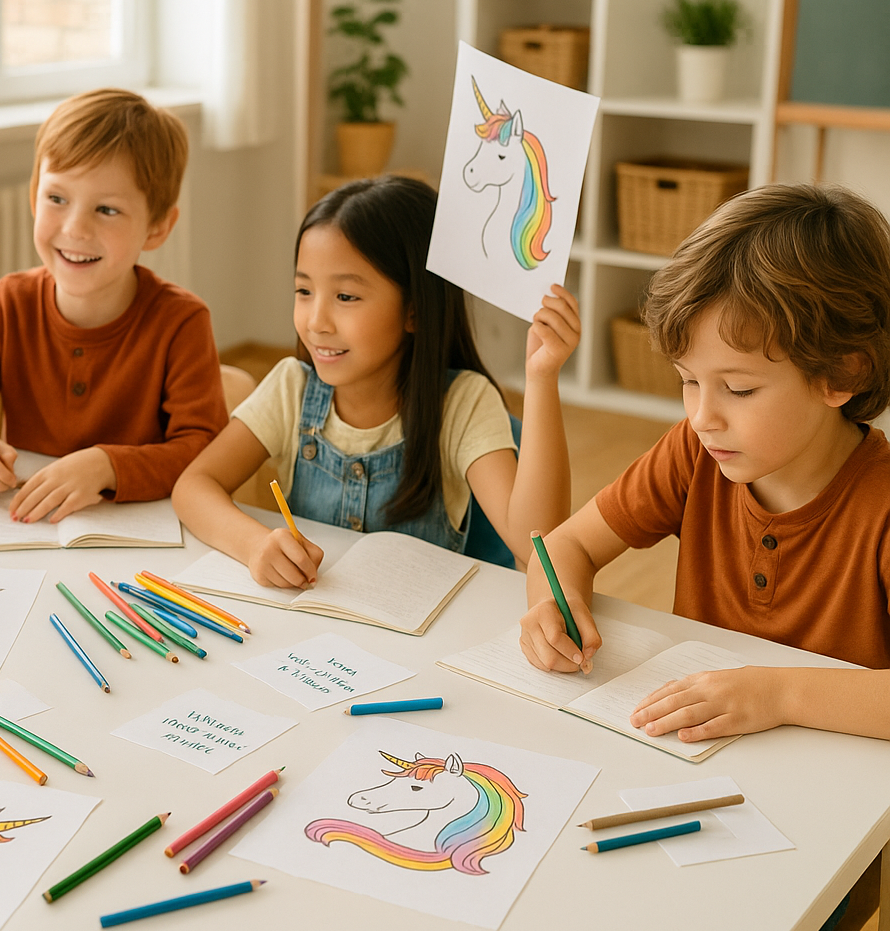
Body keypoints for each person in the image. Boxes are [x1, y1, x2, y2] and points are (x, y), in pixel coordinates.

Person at [520, 183, 890, 742]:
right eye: (688, 381)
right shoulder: (696, 453)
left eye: (738, 389)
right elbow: (567, 547)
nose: (701, 416)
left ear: (842, 375)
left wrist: (779, 693)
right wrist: (558, 601)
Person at [172, 176, 580, 588]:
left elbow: (538, 548)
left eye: (346, 297)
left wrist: (542, 379)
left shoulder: (463, 403)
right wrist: (254, 545)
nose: (315, 322)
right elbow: (193, 487)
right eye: (303, 290)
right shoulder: (291, 389)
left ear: (415, 310)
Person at [0, 88, 227, 522]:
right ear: (33, 196)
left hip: (138, 544)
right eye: (57, 199)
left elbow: (204, 453)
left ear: (158, 226)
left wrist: (106, 466)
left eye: (107, 209)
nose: (75, 228)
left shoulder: (182, 322)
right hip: (28, 535)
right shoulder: (11, 303)